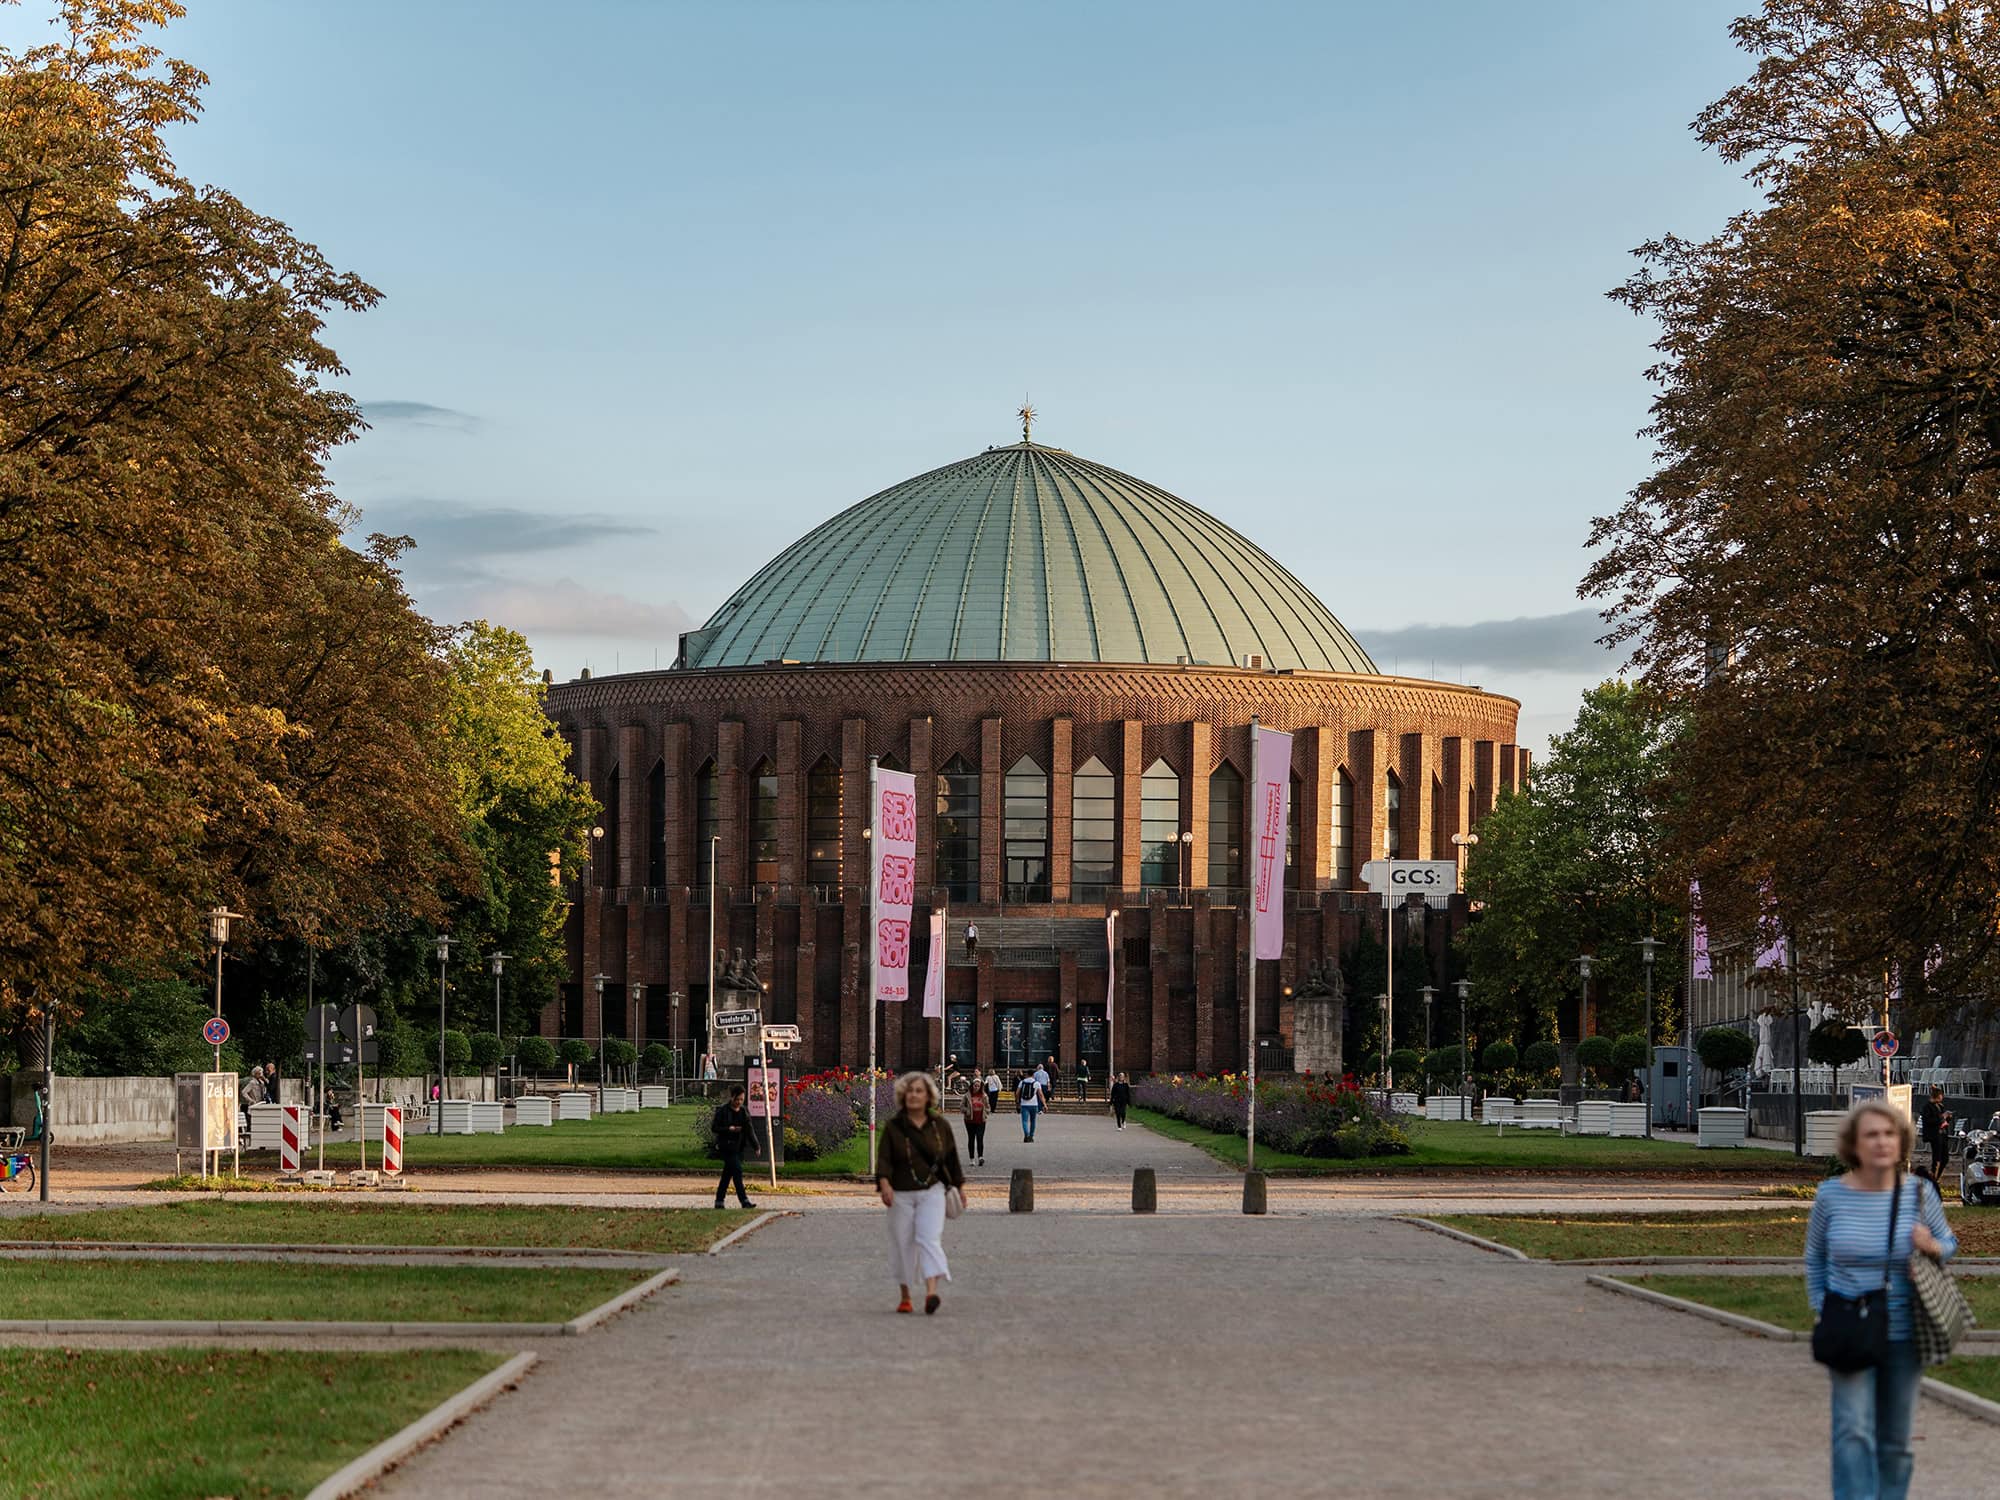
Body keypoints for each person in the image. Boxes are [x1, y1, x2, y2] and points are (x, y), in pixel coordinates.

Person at [1807, 1100, 1957, 1500]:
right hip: (1850, 1327)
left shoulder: (1920, 1194)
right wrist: (1824, 1308)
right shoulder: (1831, 1197)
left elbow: (1948, 1243)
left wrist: (1931, 1246)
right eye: (1871, 1134)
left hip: (1904, 1332)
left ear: (1902, 1141)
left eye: (1889, 1134)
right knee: (1853, 1430)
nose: (1881, 1142)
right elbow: (1815, 1259)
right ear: (1854, 1144)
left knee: (1896, 1440)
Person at [875, 1071, 967, 1314]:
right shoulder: (894, 1127)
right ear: (903, 1096)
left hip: (932, 1191)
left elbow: (951, 1160)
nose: (914, 1095)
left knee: (929, 1238)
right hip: (901, 1193)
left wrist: (960, 1187)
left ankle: (931, 1293)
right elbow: (884, 1160)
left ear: (928, 1096)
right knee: (903, 1243)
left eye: (919, 1091)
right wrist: (884, 1185)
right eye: (910, 1091)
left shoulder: (940, 1126)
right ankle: (905, 1296)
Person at [711, 1085, 759, 1210]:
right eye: (737, 1099)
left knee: (727, 1174)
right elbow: (714, 1128)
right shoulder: (723, 1111)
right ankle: (744, 1201)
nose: (739, 1102)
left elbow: (749, 1129)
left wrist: (756, 1146)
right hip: (726, 1146)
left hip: (738, 1147)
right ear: (732, 1097)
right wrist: (728, 1129)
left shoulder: (743, 1111)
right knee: (737, 1171)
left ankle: (719, 1201)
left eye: (741, 1100)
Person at [1918, 1086, 1951, 1187]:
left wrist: (1947, 1118)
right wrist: (1942, 1117)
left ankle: (1936, 1177)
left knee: (1945, 1158)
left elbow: (1942, 1119)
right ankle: (1933, 1178)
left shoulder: (1940, 1106)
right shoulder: (1927, 1107)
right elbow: (1929, 1121)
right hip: (1935, 1134)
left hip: (1942, 1134)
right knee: (1937, 1158)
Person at [961, 1072, 987, 1166]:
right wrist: (967, 1110)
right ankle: (972, 1159)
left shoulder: (984, 1096)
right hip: (969, 1121)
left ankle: (980, 1157)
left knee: (980, 1138)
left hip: (981, 1120)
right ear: (972, 1086)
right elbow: (961, 1107)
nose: (976, 1087)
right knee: (971, 1139)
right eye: (975, 1086)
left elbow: (988, 1106)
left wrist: (986, 1113)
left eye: (978, 1086)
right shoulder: (967, 1096)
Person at [1018, 1069, 1043, 1141]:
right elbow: (1040, 1095)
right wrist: (1044, 1104)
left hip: (1024, 1104)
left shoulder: (1022, 1082)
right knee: (1033, 1121)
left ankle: (1026, 1135)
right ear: (1033, 1075)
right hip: (1034, 1104)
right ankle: (1031, 1136)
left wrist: (1017, 1102)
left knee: (1024, 1121)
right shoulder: (1036, 1083)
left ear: (1027, 1074)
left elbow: (1017, 1093)